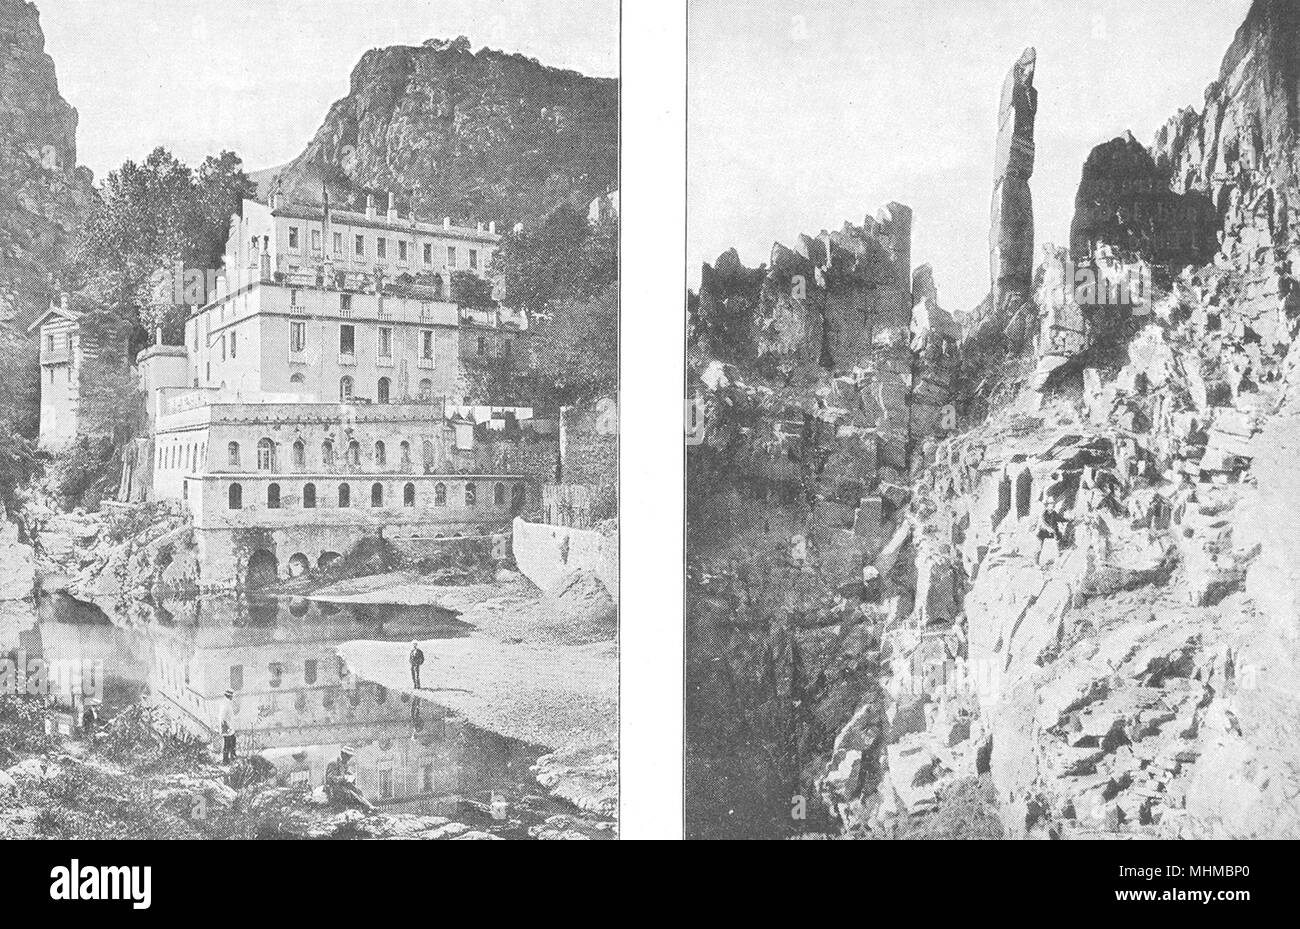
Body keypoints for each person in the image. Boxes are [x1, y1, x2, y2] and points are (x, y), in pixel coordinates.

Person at [325, 745, 374, 812]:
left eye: (350, 756)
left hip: (342, 785)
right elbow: (330, 778)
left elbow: (347, 771)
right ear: (342, 754)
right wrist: (344, 778)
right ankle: (366, 808)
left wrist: (351, 776)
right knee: (350, 794)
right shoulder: (334, 763)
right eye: (347, 756)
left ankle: (369, 806)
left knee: (358, 791)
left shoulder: (344, 763)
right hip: (333, 788)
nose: (349, 758)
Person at [219, 689, 237, 763]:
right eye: (231, 696)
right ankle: (226, 759)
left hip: (229, 727)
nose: (232, 697)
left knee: (232, 742)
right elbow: (223, 718)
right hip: (227, 728)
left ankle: (232, 757)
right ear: (229, 696)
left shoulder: (227, 703)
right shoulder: (225, 704)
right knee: (228, 744)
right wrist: (227, 727)